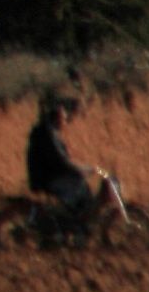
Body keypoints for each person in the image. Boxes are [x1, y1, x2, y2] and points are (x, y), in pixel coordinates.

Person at [25, 90, 120, 239]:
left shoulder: (50, 133)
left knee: (82, 187)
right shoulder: (48, 135)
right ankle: (74, 227)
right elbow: (61, 161)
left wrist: (84, 169)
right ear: (56, 118)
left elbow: (62, 161)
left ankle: (81, 225)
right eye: (63, 117)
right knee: (77, 189)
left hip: (52, 174)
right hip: (47, 178)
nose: (65, 119)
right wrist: (82, 169)